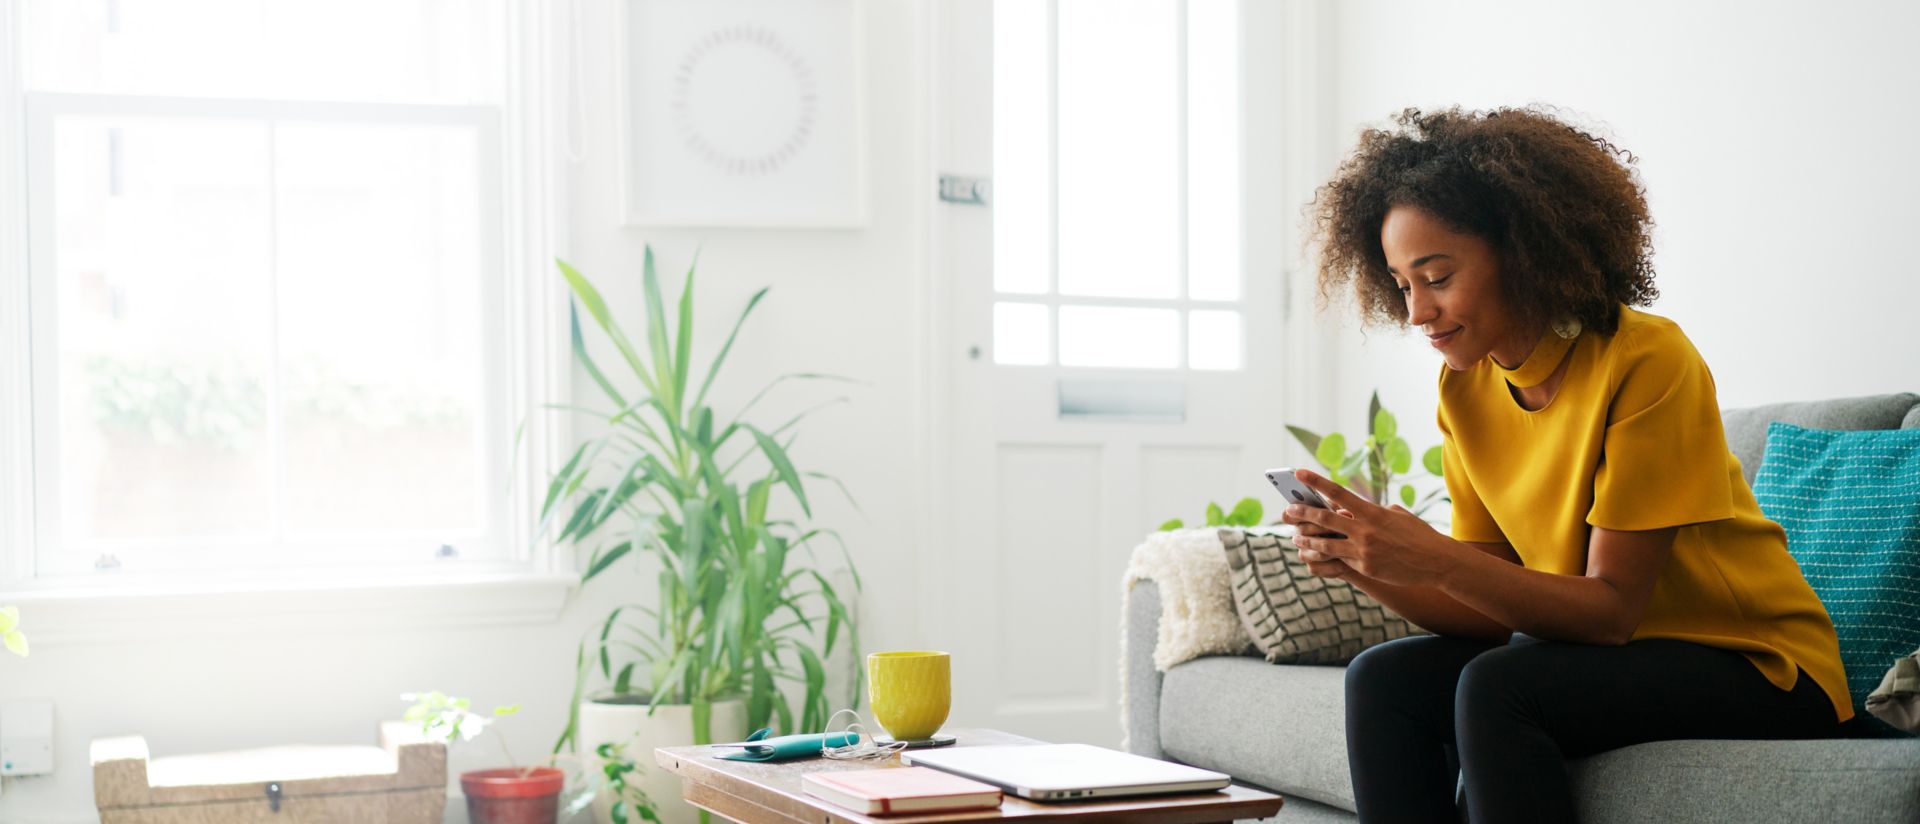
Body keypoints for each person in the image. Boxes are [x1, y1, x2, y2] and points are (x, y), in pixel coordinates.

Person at [1284, 105, 1850, 823]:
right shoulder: (1466, 388)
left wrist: (1430, 556)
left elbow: (1612, 610)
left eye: (1437, 276)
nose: (1418, 312)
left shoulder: (1646, 359)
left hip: (1758, 664)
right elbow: (1484, 612)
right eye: (1402, 285)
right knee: (1383, 678)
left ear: (1520, 251)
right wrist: (1371, 562)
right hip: (1614, 658)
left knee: (1500, 687)